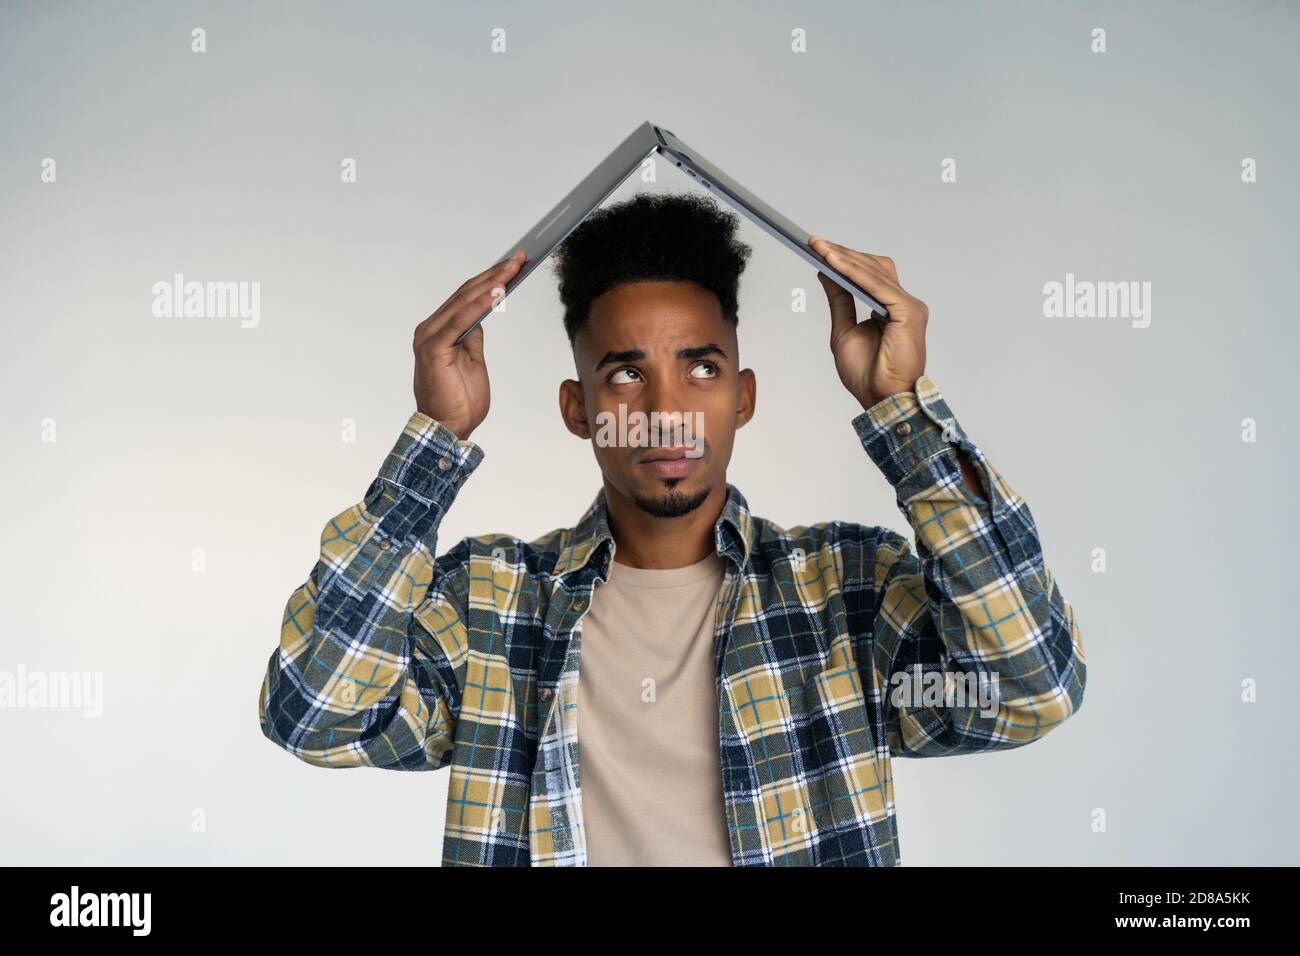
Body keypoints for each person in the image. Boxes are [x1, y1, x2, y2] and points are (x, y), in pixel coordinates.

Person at [257, 192, 1087, 866]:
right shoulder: (490, 607)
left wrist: (901, 416)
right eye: (625, 374)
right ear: (577, 410)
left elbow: (1030, 688)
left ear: (744, 397)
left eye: (701, 368)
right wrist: (434, 447)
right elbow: (317, 714)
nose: (664, 414)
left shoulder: (847, 593)